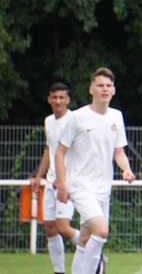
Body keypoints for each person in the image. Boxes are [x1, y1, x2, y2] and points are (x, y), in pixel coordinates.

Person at [55, 67, 136, 274]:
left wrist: (126, 169)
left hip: (103, 189)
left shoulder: (116, 116)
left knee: (84, 240)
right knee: (101, 231)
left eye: (108, 86)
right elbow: (60, 152)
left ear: (114, 90)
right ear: (91, 89)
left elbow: (119, 152)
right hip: (81, 186)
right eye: (100, 85)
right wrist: (63, 185)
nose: (105, 89)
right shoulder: (77, 117)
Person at [30, 82, 80, 274]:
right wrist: (39, 176)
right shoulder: (49, 121)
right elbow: (49, 149)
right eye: (55, 97)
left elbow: (77, 152)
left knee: (64, 227)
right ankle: (59, 271)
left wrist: (63, 178)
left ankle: (95, 252)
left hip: (67, 182)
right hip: (51, 181)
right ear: (49, 100)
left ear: (68, 100)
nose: (58, 101)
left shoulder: (74, 121)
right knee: (50, 227)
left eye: (62, 98)